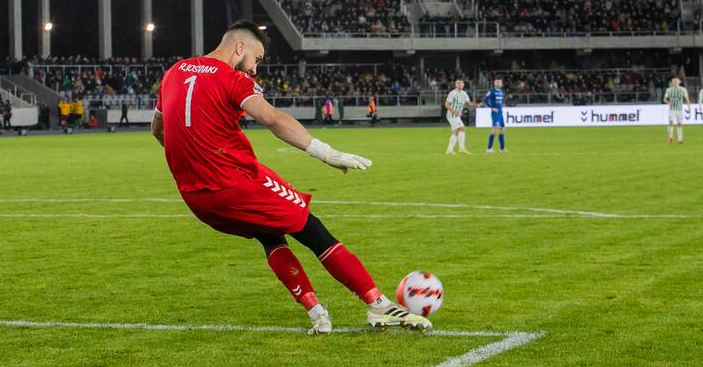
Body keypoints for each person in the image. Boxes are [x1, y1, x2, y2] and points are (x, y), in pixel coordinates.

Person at [152, 21, 430, 334]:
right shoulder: (232, 78)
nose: (255, 70)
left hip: (196, 197)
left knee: (269, 233)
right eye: (256, 60)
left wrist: (193, 157)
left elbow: (158, 131)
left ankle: (317, 313)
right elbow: (273, 118)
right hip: (233, 182)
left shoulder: (174, 71)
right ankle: (378, 305)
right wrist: (325, 152)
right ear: (239, 48)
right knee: (311, 228)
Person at [443, 78, 475, 155]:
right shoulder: (452, 93)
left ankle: (449, 150)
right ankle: (461, 148)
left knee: (456, 132)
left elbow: (469, 104)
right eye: (458, 83)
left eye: (461, 83)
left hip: (457, 116)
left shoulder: (464, 93)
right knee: (462, 129)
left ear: (463, 85)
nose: (459, 85)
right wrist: (455, 111)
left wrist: (477, 104)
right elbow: (446, 104)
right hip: (452, 115)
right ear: (455, 84)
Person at [481, 78, 507, 154]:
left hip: (500, 113)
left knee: (502, 130)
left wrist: (502, 105)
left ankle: (502, 149)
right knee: (495, 130)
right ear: (494, 83)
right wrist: (492, 108)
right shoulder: (492, 91)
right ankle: (489, 148)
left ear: (501, 84)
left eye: (499, 82)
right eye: (497, 82)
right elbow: (485, 99)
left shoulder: (501, 92)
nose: (498, 83)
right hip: (495, 114)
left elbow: (499, 102)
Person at [663, 77, 690, 145]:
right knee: (671, 123)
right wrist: (668, 102)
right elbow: (665, 99)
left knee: (680, 124)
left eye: (676, 81)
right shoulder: (669, 90)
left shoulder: (683, 89)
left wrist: (689, 107)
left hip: (679, 110)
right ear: (672, 82)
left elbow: (686, 98)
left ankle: (680, 139)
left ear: (679, 82)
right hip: (672, 109)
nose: (675, 82)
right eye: (674, 81)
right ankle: (670, 138)